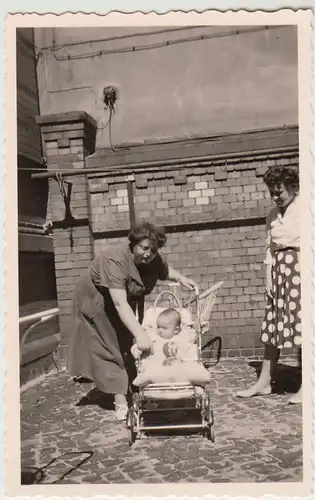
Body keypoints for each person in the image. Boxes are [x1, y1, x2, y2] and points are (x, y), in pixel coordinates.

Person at [68, 221, 199, 420]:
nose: (148, 254)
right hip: (96, 299)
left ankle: (131, 385)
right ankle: (119, 400)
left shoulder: (152, 258)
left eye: (153, 250)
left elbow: (164, 270)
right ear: (134, 243)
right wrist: (141, 334)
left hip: (120, 300)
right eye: (144, 248)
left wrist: (181, 279)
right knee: (110, 344)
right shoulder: (115, 259)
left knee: (128, 339)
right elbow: (119, 303)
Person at [236, 165, 301, 404]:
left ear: (293, 186)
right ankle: (264, 382)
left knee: (303, 326)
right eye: (272, 192)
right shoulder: (273, 215)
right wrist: (268, 279)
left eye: (280, 190)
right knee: (273, 326)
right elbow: (269, 249)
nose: (276, 196)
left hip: (300, 268)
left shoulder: (305, 208)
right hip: (279, 272)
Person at [131, 308, 211, 389]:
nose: (160, 330)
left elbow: (192, 344)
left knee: (191, 367)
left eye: (164, 328)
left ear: (176, 330)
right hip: (159, 368)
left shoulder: (183, 337)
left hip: (179, 368)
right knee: (149, 368)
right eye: (158, 327)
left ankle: (197, 385)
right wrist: (137, 349)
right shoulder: (153, 338)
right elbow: (141, 345)